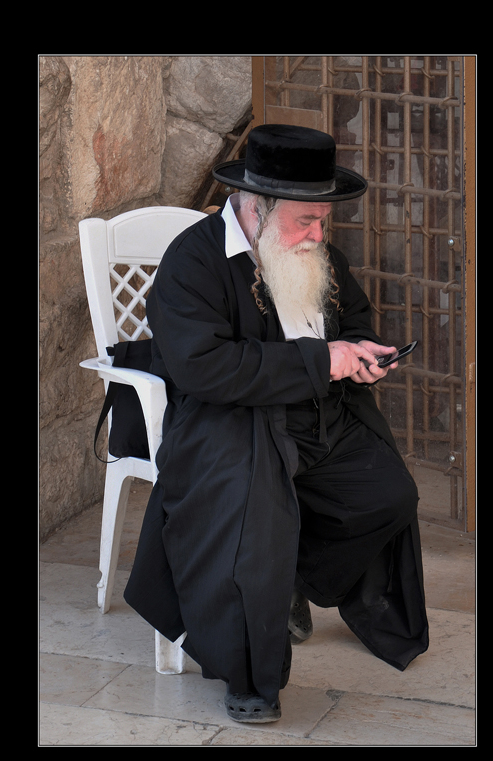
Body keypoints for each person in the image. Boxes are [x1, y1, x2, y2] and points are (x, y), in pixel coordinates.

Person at [124, 124, 429, 723]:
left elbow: (353, 318)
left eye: (323, 221)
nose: (318, 236)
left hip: (319, 417)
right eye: (305, 222)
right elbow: (205, 368)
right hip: (228, 424)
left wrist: (360, 352)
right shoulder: (193, 260)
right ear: (257, 208)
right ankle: (250, 680)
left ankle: (293, 578)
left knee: (389, 495)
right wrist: (322, 361)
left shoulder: (319, 257)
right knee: (256, 526)